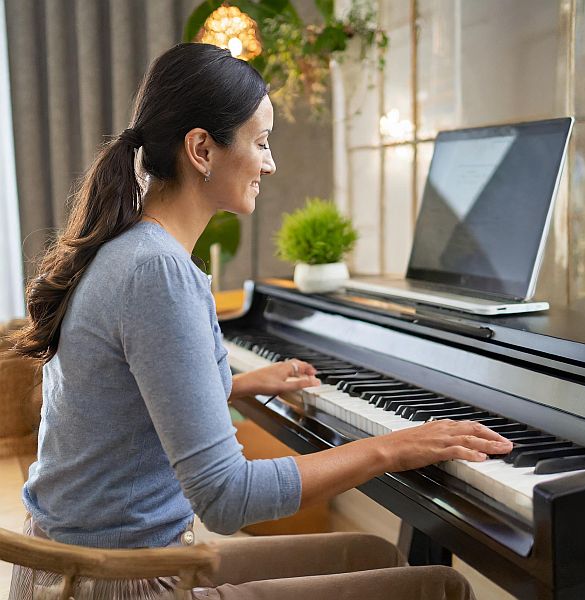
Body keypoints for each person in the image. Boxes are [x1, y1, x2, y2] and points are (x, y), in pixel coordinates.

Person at [10, 43, 512, 599]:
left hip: (85, 563)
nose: (270, 163)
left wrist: (237, 382)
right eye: (262, 141)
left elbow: (140, 393)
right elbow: (227, 499)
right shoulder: (157, 271)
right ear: (201, 148)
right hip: (117, 584)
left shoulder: (133, 249)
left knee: (367, 552)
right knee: (438, 587)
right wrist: (392, 447)